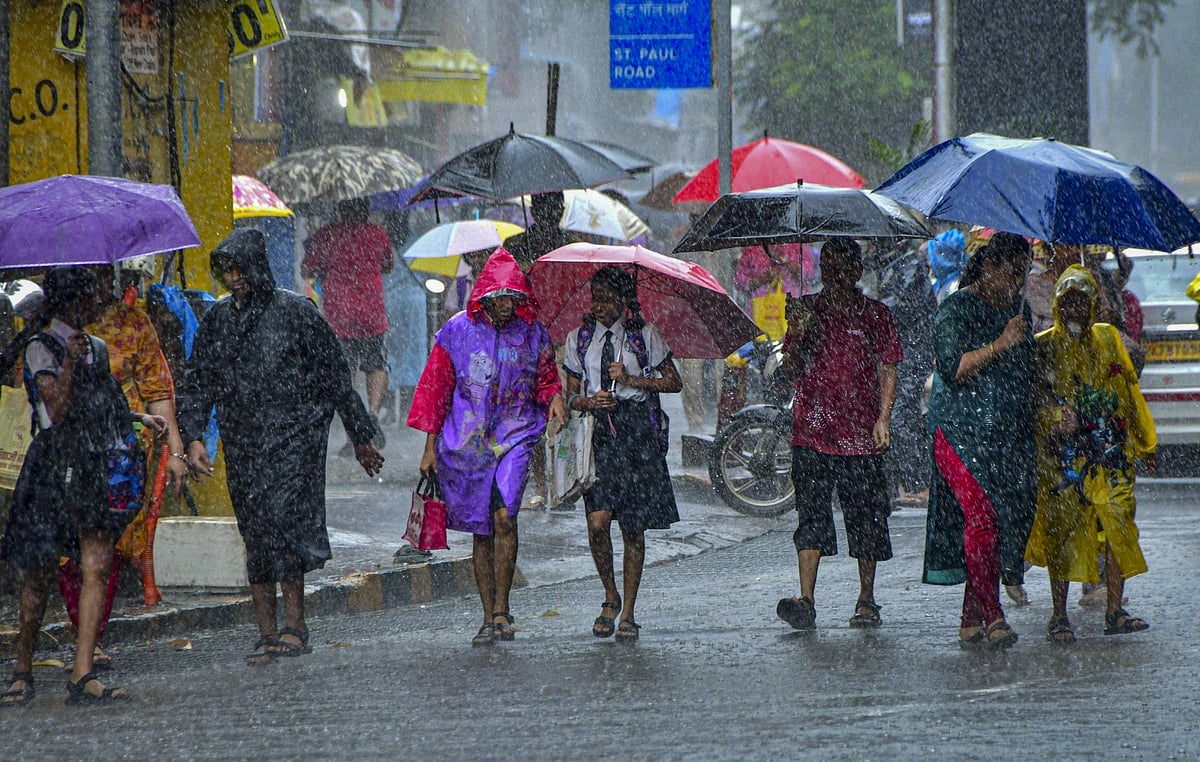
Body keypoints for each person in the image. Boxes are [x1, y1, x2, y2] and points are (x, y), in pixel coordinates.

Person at [178, 229, 384, 664]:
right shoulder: (218, 321)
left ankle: (295, 624)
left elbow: (334, 377)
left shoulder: (296, 313)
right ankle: (266, 631)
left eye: (239, 269)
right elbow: (198, 382)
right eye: (226, 271)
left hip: (296, 439)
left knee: (286, 523)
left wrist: (361, 435)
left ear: (257, 266)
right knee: (255, 529)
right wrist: (194, 437)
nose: (233, 279)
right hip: (244, 441)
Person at [1, 267, 166, 705]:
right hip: (53, 469)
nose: (99, 299)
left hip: (91, 464)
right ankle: (22, 667)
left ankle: (82, 672)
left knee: (96, 565)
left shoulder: (96, 347)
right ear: (73, 301)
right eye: (91, 293)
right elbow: (54, 411)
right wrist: (69, 361)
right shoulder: (40, 347)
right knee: (38, 574)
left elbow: (105, 403)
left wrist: (138, 418)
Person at [407, 248, 565, 646]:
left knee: (505, 517)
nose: (508, 304)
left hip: (517, 435)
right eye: (502, 296)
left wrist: (555, 400)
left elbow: (546, 379)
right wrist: (429, 449)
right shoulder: (456, 332)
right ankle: (486, 614)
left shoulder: (533, 332)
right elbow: (436, 392)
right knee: (481, 529)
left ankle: (503, 609)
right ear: (486, 296)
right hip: (468, 443)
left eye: (514, 295)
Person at [54, 264, 191, 671]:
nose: (99, 287)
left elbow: (157, 389)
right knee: (67, 549)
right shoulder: (52, 330)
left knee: (110, 546)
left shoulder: (132, 323)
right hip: (65, 453)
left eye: (104, 276)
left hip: (121, 454)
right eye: (89, 278)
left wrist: (177, 452)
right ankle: (84, 635)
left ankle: (90, 637)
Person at [775, 239, 902, 631]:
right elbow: (791, 372)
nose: (836, 276)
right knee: (810, 514)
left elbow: (888, 369)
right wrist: (797, 333)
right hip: (812, 431)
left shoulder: (876, 316)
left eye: (844, 268)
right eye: (828, 267)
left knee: (866, 517)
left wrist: (883, 418)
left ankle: (866, 598)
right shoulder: (807, 311)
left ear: (857, 272)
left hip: (861, 434)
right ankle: (806, 600)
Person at [1025, 265, 1155, 643]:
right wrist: (1053, 417)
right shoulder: (1044, 346)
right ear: (1056, 305)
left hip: (1111, 455)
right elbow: (1031, 404)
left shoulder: (1110, 339)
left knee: (1118, 522)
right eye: (1068, 302)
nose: (1075, 310)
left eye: (1083, 302)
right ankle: (1059, 615)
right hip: (1063, 458)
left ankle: (1114, 611)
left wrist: (1146, 442)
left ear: (1096, 305)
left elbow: (1129, 393)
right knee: (1063, 531)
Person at [923, 232, 1036, 650]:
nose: (1017, 283)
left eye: (1023, 275)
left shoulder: (1020, 309)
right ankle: (993, 615)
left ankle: (971, 619)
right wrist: (1002, 342)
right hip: (958, 430)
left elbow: (1027, 370)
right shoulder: (955, 309)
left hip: (1004, 433)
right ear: (987, 269)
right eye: (1011, 273)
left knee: (1007, 515)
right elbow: (953, 370)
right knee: (982, 514)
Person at [562, 266, 682, 641]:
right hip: (599, 437)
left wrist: (631, 379)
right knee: (597, 522)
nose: (601, 306)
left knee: (633, 527)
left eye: (610, 299)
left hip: (636, 438)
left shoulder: (644, 337)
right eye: (596, 297)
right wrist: (589, 400)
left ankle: (628, 610)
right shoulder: (578, 340)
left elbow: (673, 382)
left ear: (626, 300)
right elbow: (569, 396)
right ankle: (609, 593)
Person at [301, 198, 394, 447]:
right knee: (376, 363)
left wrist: (315, 245)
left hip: (338, 313)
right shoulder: (377, 233)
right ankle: (373, 414)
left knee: (345, 368)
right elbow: (388, 265)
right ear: (366, 211)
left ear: (340, 211)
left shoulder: (327, 235)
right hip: (372, 313)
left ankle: (354, 420)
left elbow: (307, 271)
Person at [504, 192, 571, 271]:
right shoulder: (513, 244)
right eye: (543, 209)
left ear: (562, 211)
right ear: (533, 211)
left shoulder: (571, 246)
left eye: (553, 209)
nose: (548, 214)